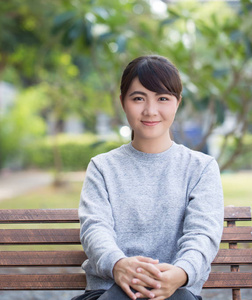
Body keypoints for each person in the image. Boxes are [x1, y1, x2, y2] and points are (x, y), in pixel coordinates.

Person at [72, 55, 224, 300]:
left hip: (177, 291)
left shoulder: (201, 168)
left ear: (177, 103)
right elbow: (95, 228)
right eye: (138, 98)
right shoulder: (102, 167)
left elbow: (202, 234)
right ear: (123, 102)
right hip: (109, 290)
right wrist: (118, 265)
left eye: (162, 98)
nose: (150, 111)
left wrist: (180, 273)